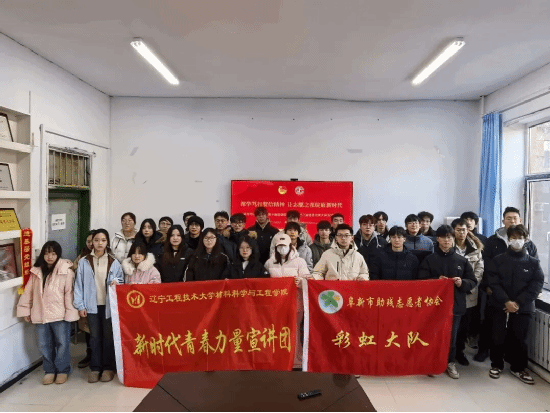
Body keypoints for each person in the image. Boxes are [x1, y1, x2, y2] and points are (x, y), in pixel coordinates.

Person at [475, 207, 539, 362]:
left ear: (520, 220)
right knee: (490, 323)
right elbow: (486, 264)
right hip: (495, 290)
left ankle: (509, 356)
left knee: (516, 330)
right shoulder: (493, 240)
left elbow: (535, 272)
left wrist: (521, 298)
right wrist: (489, 286)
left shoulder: (529, 244)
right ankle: (484, 351)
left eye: (515, 218)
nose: (512, 221)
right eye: (508, 218)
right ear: (503, 220)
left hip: (519, 294)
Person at [486, 225, 544, 384]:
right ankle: (496, 365)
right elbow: (493, 282)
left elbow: (537, 285)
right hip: (500, 305)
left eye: (520, 238)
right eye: (514, 238)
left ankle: (518, 368)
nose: (517, 241)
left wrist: (517, 302)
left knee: (520, 339)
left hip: (523, 307)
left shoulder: (533, 262)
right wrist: (506, 301)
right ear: (508, 239)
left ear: (526, 240)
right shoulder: (498, 260)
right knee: (497, 336)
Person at [418, 225, 477, 380]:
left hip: (455, 305)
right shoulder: (429, 259)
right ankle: (432, 362)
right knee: (434, 335)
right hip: (434, 306)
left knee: (452, 336)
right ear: (437, 239)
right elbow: (421, 280)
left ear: (453, 239)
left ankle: (450, 362)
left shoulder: (461, 260)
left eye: (449, 237)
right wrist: (436, 281)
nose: (446, 240)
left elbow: (472, 281)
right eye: (443, 237)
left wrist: (462, 282)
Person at [17, 241, 79, 385]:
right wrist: (26, 309)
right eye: (46, 253)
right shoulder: (36, 271)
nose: (50, 257)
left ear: (58, 254)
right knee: (43, 344)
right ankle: (49, 370)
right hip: (40, 314)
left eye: (53, 253)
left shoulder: (66, 271)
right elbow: (29, 292)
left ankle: (62, 370)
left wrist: (70, 314)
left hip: (60, 315)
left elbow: (69, 294)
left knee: (62, 344)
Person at [73, 229, 124, 384]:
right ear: (91, 242)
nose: (99, 243)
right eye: (96, 240)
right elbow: (78, 285)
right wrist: (80, 306)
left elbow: (121, 280)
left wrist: (116, 281)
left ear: (107, 242)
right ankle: (95, 368)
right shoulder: (84, 261)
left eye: (103, 240)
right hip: (91, 306)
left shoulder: (113, 261)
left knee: (108, 337)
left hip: (108, 306)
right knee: (94, 337)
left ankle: (108, 368)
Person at [264, 233, 310, 370]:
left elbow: (308, 279)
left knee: (294, 331)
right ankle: (278, 358)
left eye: (284, 246)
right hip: (276, 304)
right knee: (277, 331)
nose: (282, 248)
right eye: (279, 246)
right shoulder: (270, 262)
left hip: (296, 303)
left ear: (290, 246)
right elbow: (265, 282)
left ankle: (296, 361)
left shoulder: (300, 261)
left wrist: (302, 281)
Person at [452, 219, 484, 367]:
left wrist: (468, 285)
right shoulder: (448, 245)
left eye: (463, 230)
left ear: (468, 231)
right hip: (451, 293)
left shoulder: (475, 248)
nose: (461, 233)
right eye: (458, 230)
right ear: (453, 231)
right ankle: (448, 354)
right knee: (450, 326)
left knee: (464, 327)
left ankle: (460, 352)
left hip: (469, 294)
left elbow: (479, 270)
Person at [72, 231, 94, 369]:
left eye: (94, 240)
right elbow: (72, 270)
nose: (91, 244)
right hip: (86, 300)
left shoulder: (109, 257)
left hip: (101, 300)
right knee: (87, 330)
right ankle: (89, 355)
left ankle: (102, 359)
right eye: (88, 241)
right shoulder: (81, 257)